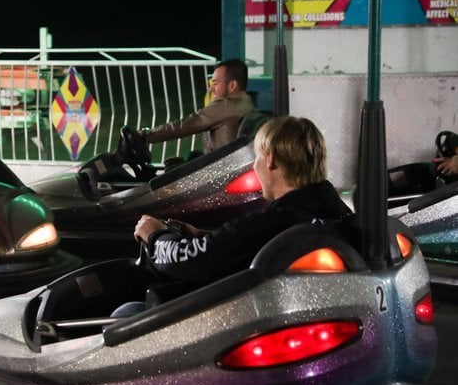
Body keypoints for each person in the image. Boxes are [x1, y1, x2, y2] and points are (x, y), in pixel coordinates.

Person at [134, 116, 351, 286]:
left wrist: (154, 235)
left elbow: (194, 262)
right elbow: (245, 246)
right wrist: (203, 236)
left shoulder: (274, 221)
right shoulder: (337, 213)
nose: (255, 166)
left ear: (271, 159)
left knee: (127, 310)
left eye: (258, 157)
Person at [140, 58, 256, 153]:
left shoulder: (225, 107)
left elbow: (184, 126)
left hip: (219, 171)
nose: (211, 89)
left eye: (215, 83)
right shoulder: (246, 102)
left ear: (232, 85)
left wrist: (144, 136)